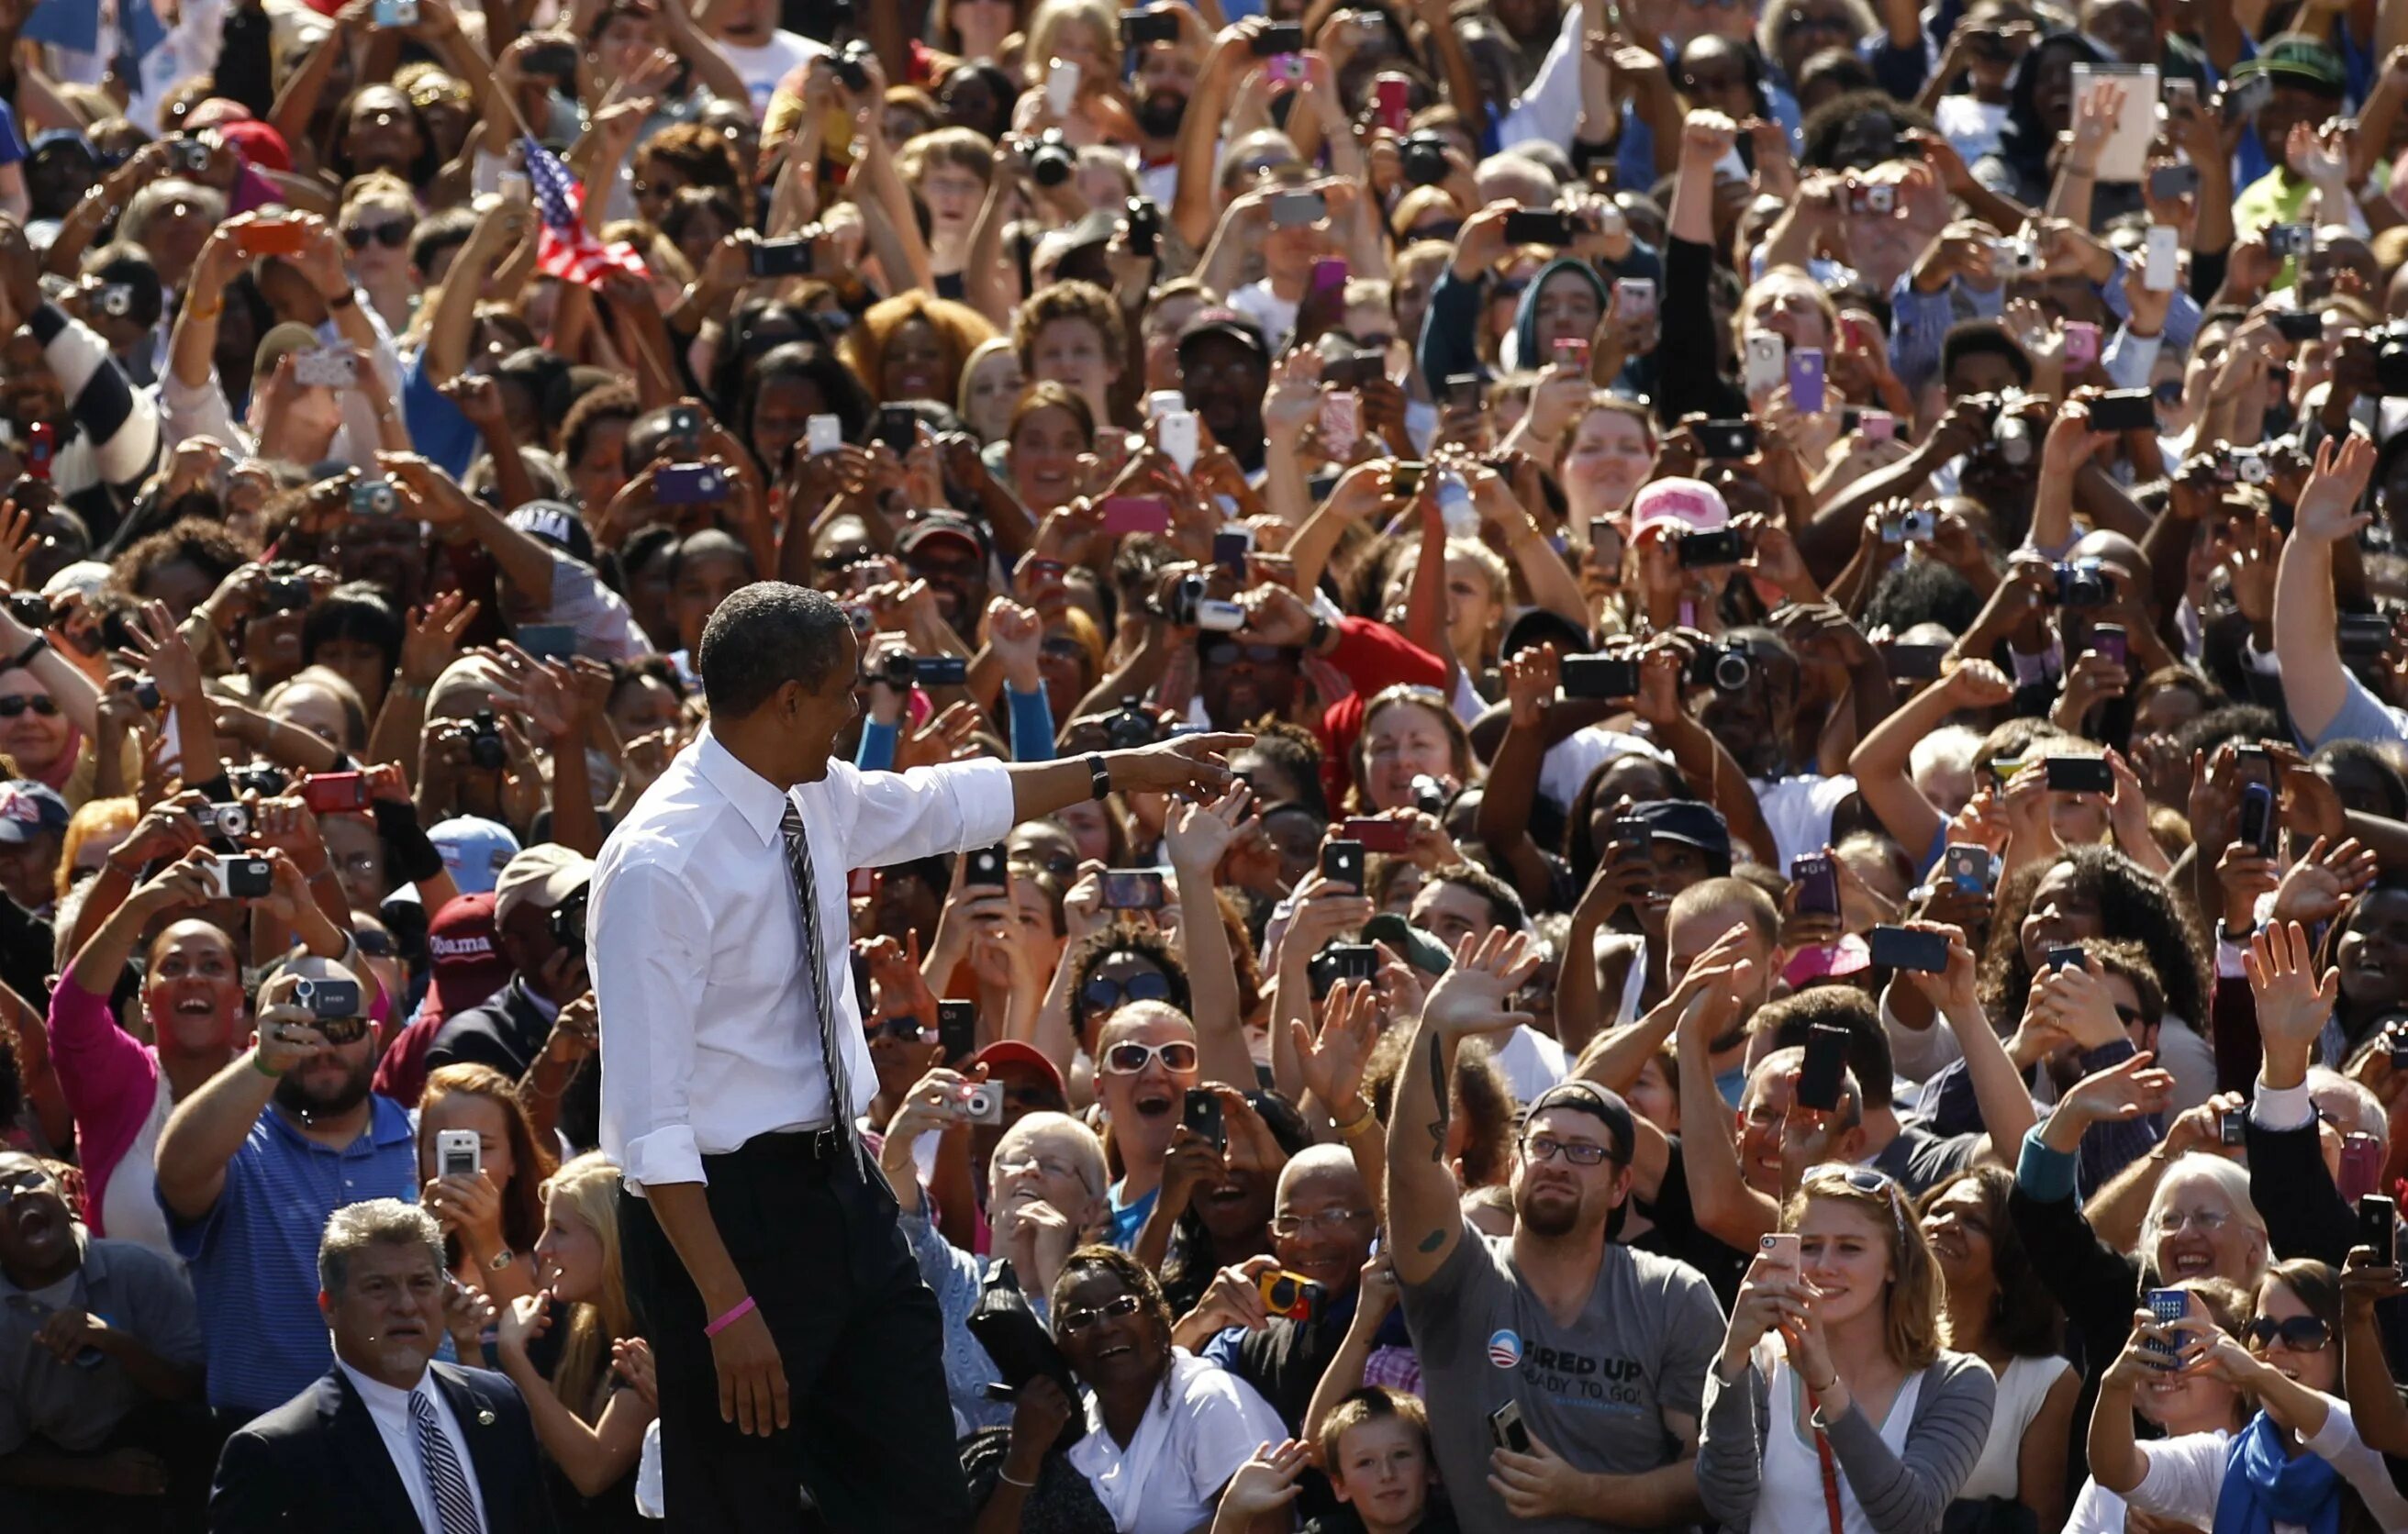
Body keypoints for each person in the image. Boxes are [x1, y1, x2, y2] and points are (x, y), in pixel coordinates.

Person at [591, 582, 1246, 1530]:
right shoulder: (659, 864)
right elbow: (649, 1133)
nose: (860, 712)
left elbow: (952, 801)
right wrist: (727, 1312)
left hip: (841, 1191)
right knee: (741, 1508)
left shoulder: (806, 790)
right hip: (721, 1223)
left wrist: (1118, 766)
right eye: (845, 692)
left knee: (918, 1496)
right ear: (786, 701)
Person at [1383, 935, 1723, 1533]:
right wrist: (1436, 1028)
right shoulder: (1457, 1280)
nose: (1558, 1162)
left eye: (1584, 1151)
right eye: (1542, 1146)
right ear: (1513, 1166)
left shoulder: (1673, 1295)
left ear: (1622, 1187)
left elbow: (1715, 1481)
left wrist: (1583, 1494)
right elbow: (1412, 1168)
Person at [155, 951, 416, 1420]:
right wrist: (263, 1064)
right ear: (262, 1042)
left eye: (342, 1029)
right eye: (299, 1030)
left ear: (374, 1038)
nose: (321, 1048)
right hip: (267, 1441)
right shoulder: (235, 1146)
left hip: (411, 1426)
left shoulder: (423, 1141)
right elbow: (177, 1169)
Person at [207, 1198, 556, 1532]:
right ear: (330, 1306)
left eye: (421, 1284)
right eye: (378, 1287)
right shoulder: (276, 1453)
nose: (405, 1305)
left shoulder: (498, 1404)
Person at [1698, 1162, 1999, 1534]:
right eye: (1809, 1247)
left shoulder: (1958, 1382)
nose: (1825, 1266)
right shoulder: (1756, 1365)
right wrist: (1732, 1359)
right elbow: (1724, 1502)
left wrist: (1827, 1385)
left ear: (1894, 1264)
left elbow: (1909, 1517)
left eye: (1849, 1248)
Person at [0, 1150, 204, 1518]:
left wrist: (115, 1343)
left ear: (66, 1197)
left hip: (167, 1455)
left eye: (30, 1180)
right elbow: (8, 1459)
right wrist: (97, 1475)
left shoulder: (137, 1268)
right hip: (65, 1483)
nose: (17, 1195)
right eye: (1, 1193)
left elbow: (191, 1386)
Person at [492, 1152, 656, 1533]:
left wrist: (513, 1356)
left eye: (559, 1230)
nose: (542, 1248)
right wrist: (469, 1344)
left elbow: (593, 1469)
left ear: (610, 1236)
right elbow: (534, 1434)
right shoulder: (575, 1320)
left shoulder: (652, 1335)